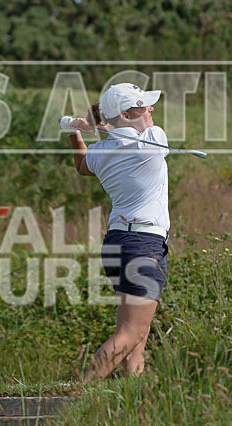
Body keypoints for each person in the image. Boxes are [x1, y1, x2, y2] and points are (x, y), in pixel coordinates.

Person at [62, 83, 170, 381]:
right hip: (143, 244)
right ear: (126, 113)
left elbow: (83, 165)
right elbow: (129, 138)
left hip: (118, 242)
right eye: (143, 105)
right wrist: (100, 125)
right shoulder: (154, 138)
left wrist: (75, 131)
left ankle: (132, 400)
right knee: (132, 332)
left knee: (136, 338)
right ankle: (74, 398)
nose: (151, 109)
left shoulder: (102, 150)